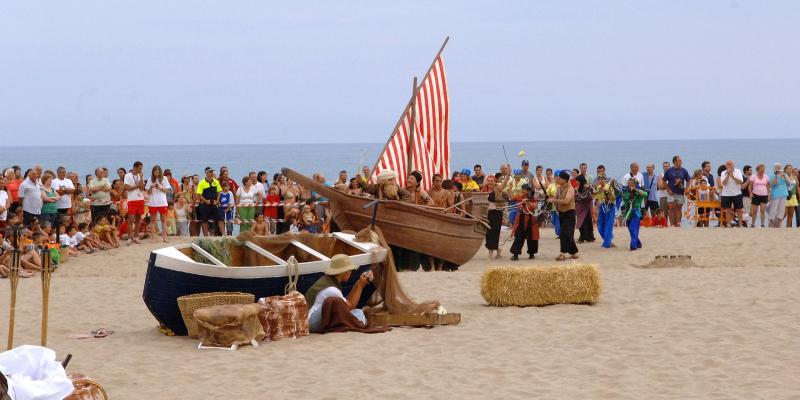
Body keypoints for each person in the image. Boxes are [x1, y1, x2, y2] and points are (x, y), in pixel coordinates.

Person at [305, 254, 373, 333]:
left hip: (312, 319)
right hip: (312, 323)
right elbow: (349, 307)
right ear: (343, 272)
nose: (350, 272)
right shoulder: (332, 290)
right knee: (357, 317)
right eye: (349, 270)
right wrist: (361, 285)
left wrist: (358, 283)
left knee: (358, 312)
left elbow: (346, 302)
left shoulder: (328, 281)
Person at [547, 170, 578, 261]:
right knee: (567, 234)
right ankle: (574, 253)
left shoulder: (570, 189)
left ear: (565, 179)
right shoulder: (559, 188)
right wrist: (548, 198)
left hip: (569, 213)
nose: (558, 179)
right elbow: (555, 198)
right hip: (561, 214)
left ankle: (562, 254)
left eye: (560, 178)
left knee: (564, 233)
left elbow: (566, 201)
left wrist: (554, 200)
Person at [509, 184, 538, 260]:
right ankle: (516, 254)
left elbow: (535, 206)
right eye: (522, 189)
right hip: (522, 218)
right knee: (519, 236)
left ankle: (531, 254)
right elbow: (511, 198)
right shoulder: (520, 196)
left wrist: (527, 202)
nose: (522, 191)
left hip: (531, 219)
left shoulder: (533, 197)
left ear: (528, 190)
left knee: (532, 237)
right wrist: (510, 189)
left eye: (523, 190)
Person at [484, 175, 507, 260]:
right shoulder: (484, 190)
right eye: (488, 181)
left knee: (494, 233)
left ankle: (490, 254)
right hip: (488, 214)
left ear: (494, 181)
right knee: (488, 233)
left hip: (497, 213)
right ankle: (498, 250)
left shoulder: (498, 189)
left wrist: (508, 174)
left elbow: (504, 183)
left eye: (491, 181)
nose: (490, 182)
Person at [663, 155, 691, 227]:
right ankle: (672, 224)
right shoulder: (669, 170)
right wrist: (668, 190)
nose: (681, 162)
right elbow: (664, 181)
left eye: (681, 161)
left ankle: (678, 223)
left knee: (679, 207)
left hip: (680, 192)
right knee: (671, 208)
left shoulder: (684, 170)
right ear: (675, 162)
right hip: (671, 192)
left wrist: (687, 188)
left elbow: (688, 180)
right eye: (679, 161)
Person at [145, 165, 170, 242]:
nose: (156, 174)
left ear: (160, 172)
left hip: (162, 202)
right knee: (152, 220)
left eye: (157, 172)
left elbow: (167, 191)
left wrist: (160, 188)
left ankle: (165, 237)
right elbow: (147, 192)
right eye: (155, 172)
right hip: (153, 202)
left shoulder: (164, 178)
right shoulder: (150, 179)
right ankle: (153, 238)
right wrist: (151, 187)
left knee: (163, 220)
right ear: (153, 172)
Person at [195, 167, 223, 236]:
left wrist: (217, 200)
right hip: (204, 205)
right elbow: (199, 194)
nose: (211, 173)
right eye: (210, 172)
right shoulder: (202, 182)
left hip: (214, 204)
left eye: (212, 172)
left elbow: (219, 191)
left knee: (220, 218)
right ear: (206, 173)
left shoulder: (216, 181)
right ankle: (206, 236)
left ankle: (223, 234)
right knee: (204, 220)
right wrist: (206, 201)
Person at [123, 161, 146, 244]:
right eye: (140, 168)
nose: (141, 170)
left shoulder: (140, 176)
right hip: (132, 200)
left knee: (138, 219)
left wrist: (142, 179)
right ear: (135, 167)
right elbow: (127, 188)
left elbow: (142, 188)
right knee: (131, 219)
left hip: (140, 199)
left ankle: (136, 237)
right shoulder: (128, 176)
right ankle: (129, 238)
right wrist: (137, 185)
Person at [621, 178, 647, 251]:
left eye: (632, 183)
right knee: (630, 229)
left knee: (633, 228)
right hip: (628, 213)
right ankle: (638, 243)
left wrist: (636, 190)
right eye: (629, 183)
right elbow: (624, 198)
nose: (630, 184)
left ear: (635, 184)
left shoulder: (638, 191)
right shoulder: (626, 192)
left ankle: (633, 246)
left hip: (636, 212)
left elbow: (645, 194)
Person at [719, 160, 744, 228]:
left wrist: (733, 176)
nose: (729, 165)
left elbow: (741, 181)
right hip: (726, 194)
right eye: (727, 164)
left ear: (733, 165)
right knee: (728, 209)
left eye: (730, 164)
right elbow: (723, 183)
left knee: (739, 209)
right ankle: (728, 224)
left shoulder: (738, 171)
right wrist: (728, 175)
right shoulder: (723, 173)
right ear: (726, 165)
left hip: (737, 193)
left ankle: (740, 224)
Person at [593, 174, 616, 248]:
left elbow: (613, 198)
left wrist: (607, 194)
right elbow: (596, 199)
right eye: (599, 179)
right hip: (602, 208)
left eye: (602, 179)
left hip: (610, 207)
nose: (600, 180)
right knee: (600, 226)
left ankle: (607, 243)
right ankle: (608, 241)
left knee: (608, 225)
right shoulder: (598, 187)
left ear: (605, 180)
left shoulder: (609, 187)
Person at [51, 166, 75, 234]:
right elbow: (55, 192)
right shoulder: (54, 181)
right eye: (62, 172)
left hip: (67, 206)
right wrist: (67, 190)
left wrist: (63, 189)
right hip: (57, 206)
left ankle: (66, 235)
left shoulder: (68, 181)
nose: (64, 173)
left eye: (64, 172)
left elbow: (73, 190)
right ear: (58, 173)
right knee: (58, 223)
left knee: (66, 222)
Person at [575, 174, 595, 243]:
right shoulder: (577, 188)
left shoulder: (587, 188)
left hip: (586, 208)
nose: (576, 182)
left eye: (577, 181)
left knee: (587, 223)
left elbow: (590, 198)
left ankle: (588, 237)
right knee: (581, 223)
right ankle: (583, 237)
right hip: (579, 208)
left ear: (580, 181)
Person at [767, 163, 788, 228]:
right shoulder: (772, 175)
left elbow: (788, 183)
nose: (778, 168)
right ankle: (771, 223)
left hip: (783, 194)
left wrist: (784, 175)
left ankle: (778, 224)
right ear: (774, 168)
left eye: (779, 167)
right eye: (777, 167)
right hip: (775, 194)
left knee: (781, 209)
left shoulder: (784, 175)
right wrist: (776, 175)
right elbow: (773, 184)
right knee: (773, 208)